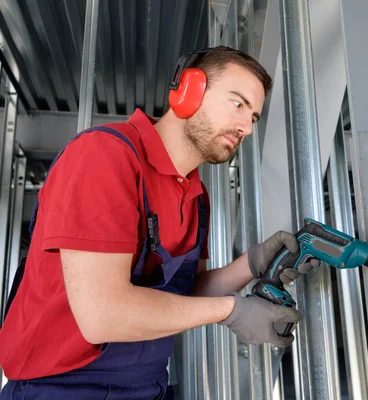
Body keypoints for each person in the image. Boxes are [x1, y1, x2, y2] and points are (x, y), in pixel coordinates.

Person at [0, 46, 318, 399]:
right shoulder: (105, 157)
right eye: (238, 104)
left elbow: (184, 294)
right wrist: (233, 311)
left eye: (254, 117)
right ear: (187, 90)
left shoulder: (197, 197)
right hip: (60, 390)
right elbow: (102, 315)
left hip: (146, 388)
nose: (245, 126)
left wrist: (252, 264)